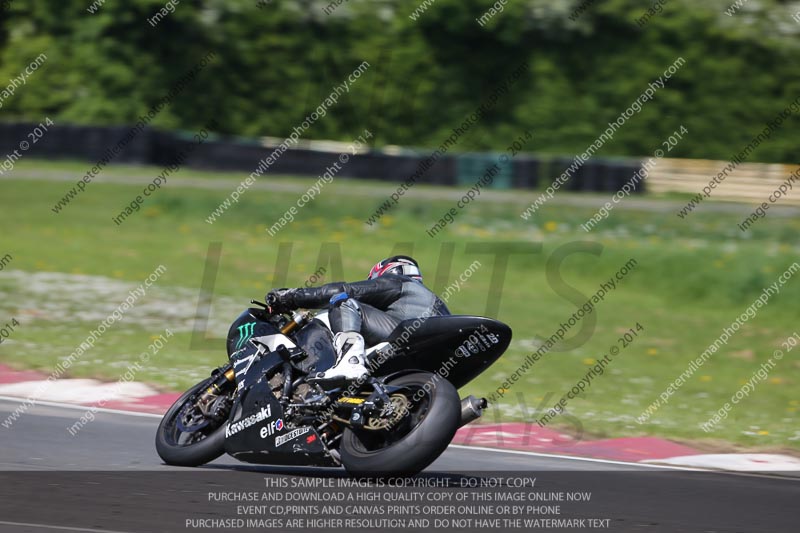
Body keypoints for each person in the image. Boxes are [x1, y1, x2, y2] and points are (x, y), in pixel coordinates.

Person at [266, 255, 450, 384]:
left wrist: (291, 297)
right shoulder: (437, 304)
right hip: (435, 363)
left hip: (408, 338)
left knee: (342, 301)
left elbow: (343, 291)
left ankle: (350, 361)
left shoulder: (399, 282)